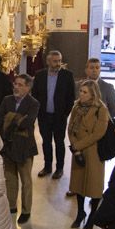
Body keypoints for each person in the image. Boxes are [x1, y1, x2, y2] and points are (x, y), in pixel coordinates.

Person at [0, 74, 39, 224]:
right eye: (15, 84)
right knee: (10, 179)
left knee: (26, 181)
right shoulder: (7, 100)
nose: (16, 87)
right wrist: (17, 119)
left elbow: (28, 123)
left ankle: (26, 211)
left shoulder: (33, 103)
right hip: (8, 145)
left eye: (20, 85)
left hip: (25, 148)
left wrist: (10, 118)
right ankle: (11, 206)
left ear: (28, 87)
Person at [67, 80, 110, 229]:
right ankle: (80, 213)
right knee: (78, 184)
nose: (81, 94)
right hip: (78, 150)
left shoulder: (101, 109)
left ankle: (93, 215)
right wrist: (74, 146)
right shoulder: (76, 106)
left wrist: (78, 145)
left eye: (85, 92)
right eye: (81, 91)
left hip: (93, 151)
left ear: (93, 93)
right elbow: (71, 127)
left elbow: (99, 133)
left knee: (94, 184)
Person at [32, 50, 75, 178]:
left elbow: (71, 97)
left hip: (59, 116)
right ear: (48, 61)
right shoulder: (40, 75)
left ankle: (60, 168)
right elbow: (35, 95)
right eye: (55, 61)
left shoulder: (67, 75)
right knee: (46, 142)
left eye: (59, 61)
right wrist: (38, 113)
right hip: (44, 116)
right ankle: (47, 166)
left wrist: (65, 114)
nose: (58, 64)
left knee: (59, 143)